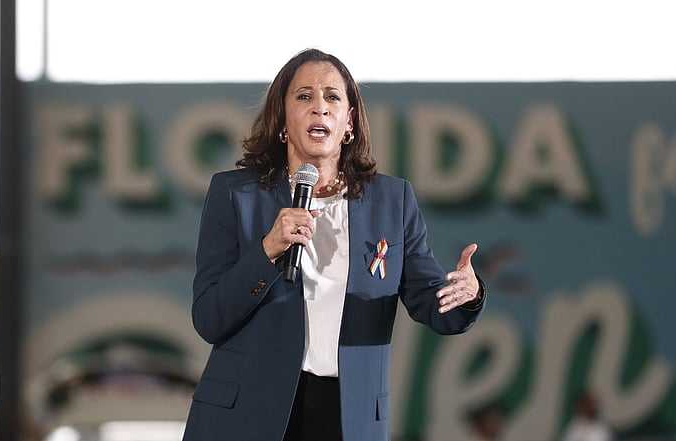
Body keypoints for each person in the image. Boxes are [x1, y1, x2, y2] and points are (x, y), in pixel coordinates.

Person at [182, 48, 486, 441]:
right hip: (247, 413)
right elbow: (209, 318)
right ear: (283, 120)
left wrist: (468, 294)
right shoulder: (235, 194)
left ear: (349, 122)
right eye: (304, 96)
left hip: (347, 416)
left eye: (332, 97)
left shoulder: (391, 201)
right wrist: (267, 251)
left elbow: (433, 304)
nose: (320, 107)